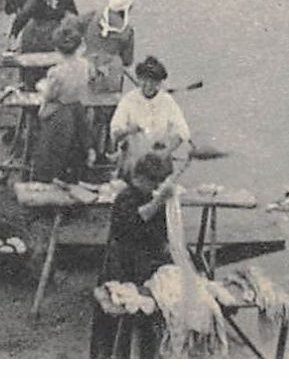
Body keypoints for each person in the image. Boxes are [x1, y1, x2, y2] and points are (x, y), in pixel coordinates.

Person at [89, 151, 177, 358]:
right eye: (154, 183)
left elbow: (161, 232)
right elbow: (136, 223)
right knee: (116, 325)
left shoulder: (151, 197)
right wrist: (159, 200)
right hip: (122, 266)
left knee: (150, 322)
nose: (156, 188)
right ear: (140, 178)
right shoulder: (126, 198)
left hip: (146, 265)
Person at [30, 25, 93, 183]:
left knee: (51, 153)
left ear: (57, 48)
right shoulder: (85, 64)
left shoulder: (56, 72)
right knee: (75, 150)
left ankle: (48, 182)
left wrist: (41, 86)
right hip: (77, 108)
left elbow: (51, 95)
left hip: (60, 112)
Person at [109, 57, 190, 178]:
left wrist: (166, 152)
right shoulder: (129, 99)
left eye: (154, 81)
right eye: (144, 80)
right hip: (133, 159)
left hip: (159, 158)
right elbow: (115, 130)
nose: (148, 85)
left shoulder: (167, 101)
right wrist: (128, 131)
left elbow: (182, 131)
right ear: (139, 79)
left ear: (159, 82)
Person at [10, 0, 78, 83]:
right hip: (35, 32)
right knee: (31, 64)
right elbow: (23, 16)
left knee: (54, 64)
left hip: (55, 33)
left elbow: (75, 15)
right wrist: (14, 35)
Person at [80, 0, 136, 94]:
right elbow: (128, 60)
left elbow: (75, 27)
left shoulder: (92, 16)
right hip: (111, 73)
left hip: (87, 65)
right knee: (109, 103)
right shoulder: (127, 30)